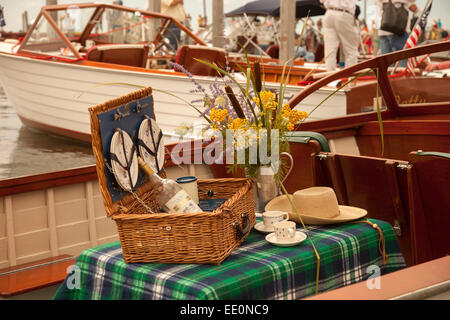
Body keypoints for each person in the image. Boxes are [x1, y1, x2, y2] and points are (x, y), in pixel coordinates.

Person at [319, 0, 360, 71]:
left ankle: (330, 79)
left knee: (330, 52)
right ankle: (350, 79)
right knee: (351, 51)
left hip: (329, 13)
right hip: (344, 14)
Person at [376, 0, 416, 66]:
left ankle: (390, 75)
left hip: (383, 28)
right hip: (399, 29)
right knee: (401, 62)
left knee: (387, 64)